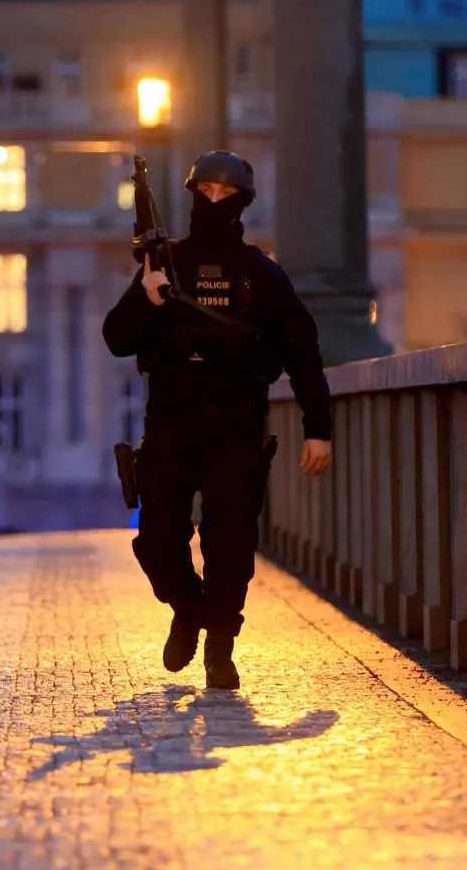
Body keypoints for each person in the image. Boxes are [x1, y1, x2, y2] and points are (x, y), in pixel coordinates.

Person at [102, 150, 334, 690]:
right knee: (156, 540)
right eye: (203, 192)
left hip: (235, 426)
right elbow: (117, 338)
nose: (212, 202)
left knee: (230, 545)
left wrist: (318, 428)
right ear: (189, 196)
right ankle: (189, 611)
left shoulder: (261, 274)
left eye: (224, 195)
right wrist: (147, 298)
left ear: (243, 203)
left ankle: (220, 651)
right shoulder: (164, 267)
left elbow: (303, 353)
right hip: (171, 427)